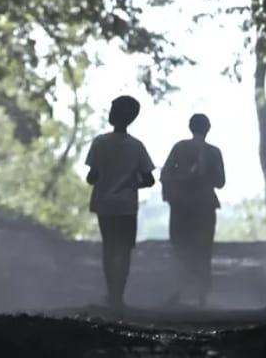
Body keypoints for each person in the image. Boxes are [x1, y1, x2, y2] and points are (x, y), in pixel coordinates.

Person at [84, 95, 155, 309]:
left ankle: (110, 294)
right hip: (126, 206)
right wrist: (131, 184)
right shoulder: (136, 146)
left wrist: (104, 178)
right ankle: (118, 296)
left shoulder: (100, 143)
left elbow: (91, 177)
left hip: (105, 204)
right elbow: (149, 179)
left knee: (109, 248)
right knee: (123, 251)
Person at [160, 113, 225, 307]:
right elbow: (220, 182)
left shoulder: (179, 148)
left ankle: (179, 292)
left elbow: (165, 173)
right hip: (205, 206)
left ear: (190, 127)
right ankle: (202, 296)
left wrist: (174, 190)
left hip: (181, 205)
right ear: (208, 128)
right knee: (204, 250)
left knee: (180, 248)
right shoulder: (214, 152)